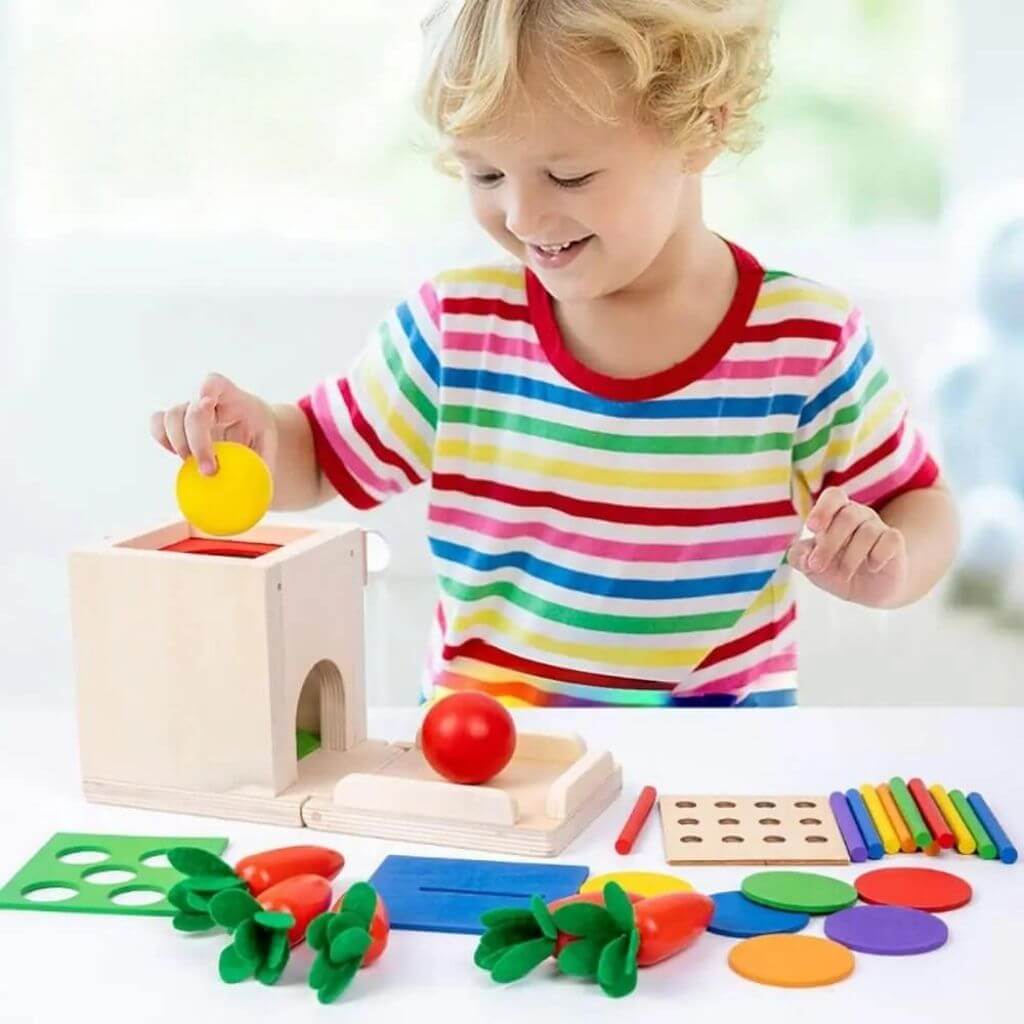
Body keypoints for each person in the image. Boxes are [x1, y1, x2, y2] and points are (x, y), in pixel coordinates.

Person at [151, 0, 959, 708]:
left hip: (715, 755)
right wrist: (258, 438)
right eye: (486, 172)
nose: (523, 213)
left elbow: (918, 505)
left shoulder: (802, 339)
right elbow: (324, 456)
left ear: (702, 127)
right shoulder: (455, 328)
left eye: (569, 176)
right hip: (490, 753)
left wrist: (891, 568)